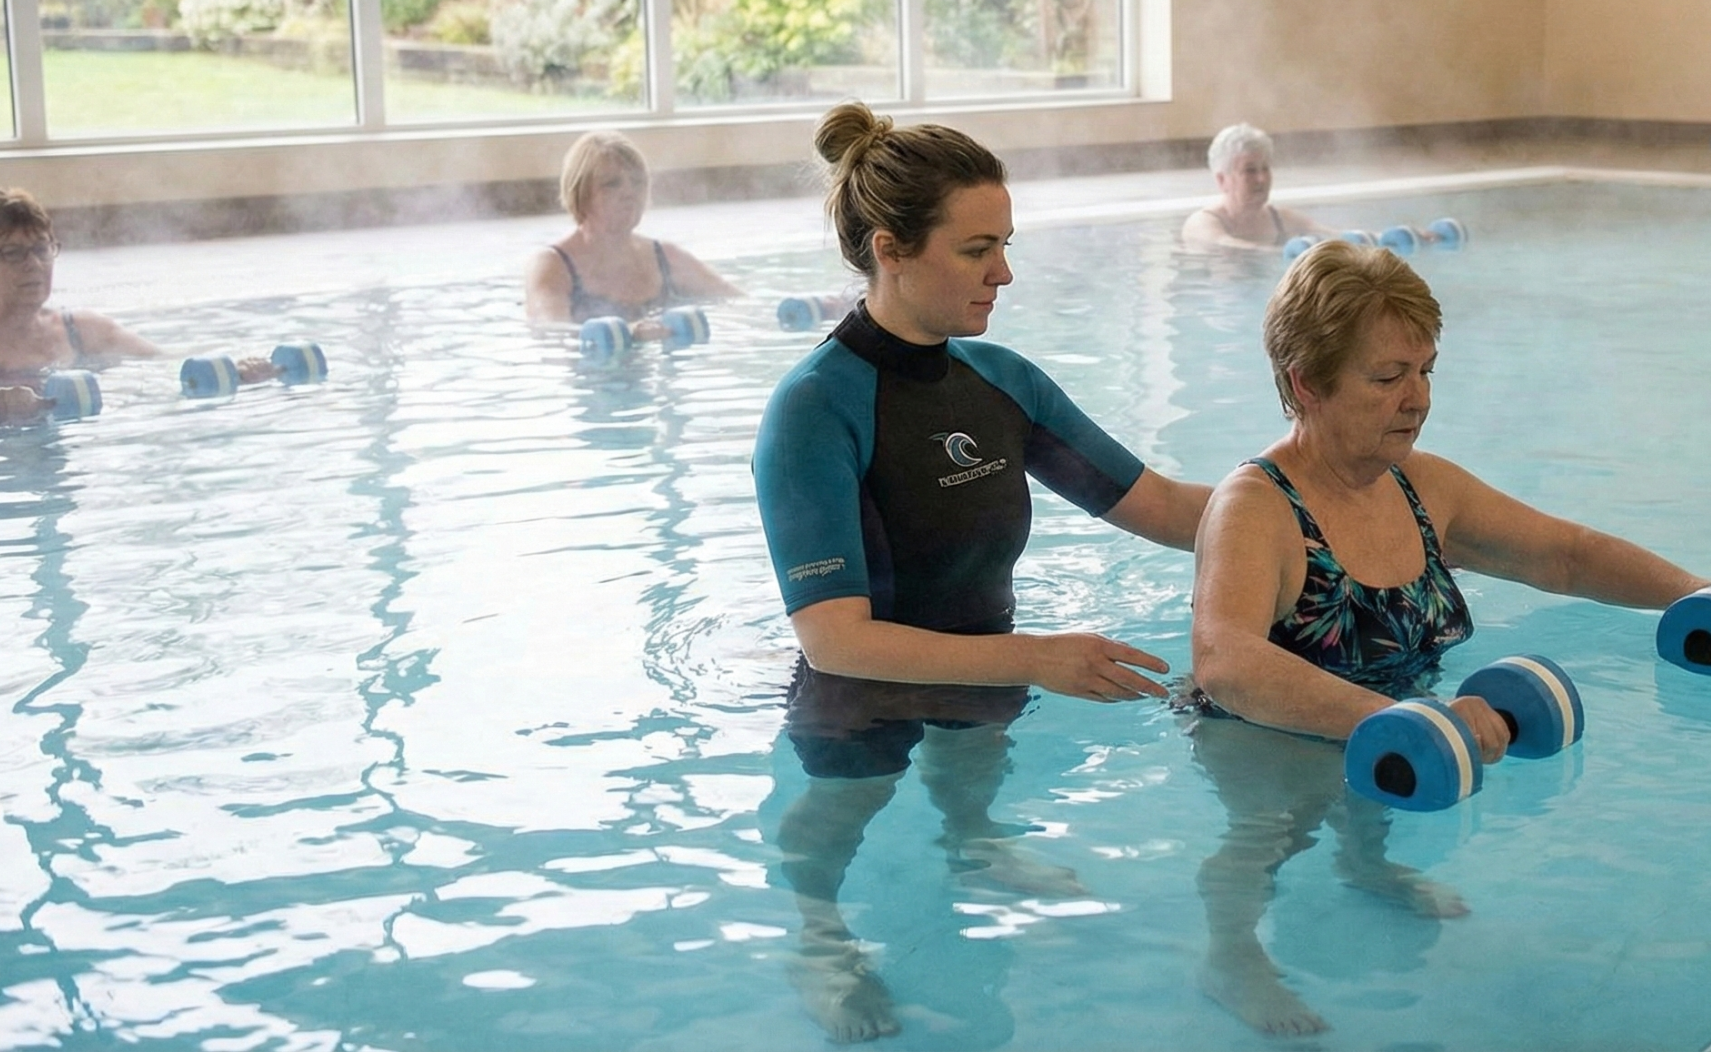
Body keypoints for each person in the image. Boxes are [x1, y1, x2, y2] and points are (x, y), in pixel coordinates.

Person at [1182, 240, 1711, 1035]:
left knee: (1365, 810)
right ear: (1307, 383)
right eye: (1388, 376)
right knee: (1269, 837)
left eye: (1427, 369)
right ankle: (1229, 957)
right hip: (1264, 735)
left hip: (1398, 719)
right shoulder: (1256, 507)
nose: (1418, 398)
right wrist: (1401, 722)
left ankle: (1369, 869)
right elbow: (1224, 661)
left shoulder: (1419, 485)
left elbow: (1563, 555)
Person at [751, 100, 1213, 1041]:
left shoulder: (1002, 382)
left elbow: (1160, 506)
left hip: (986, 670)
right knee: (835, 825)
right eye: (976, 249)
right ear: (890, 248)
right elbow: (835, 640)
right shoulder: (813, 410)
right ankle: (813, 934)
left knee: (971, 776)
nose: (1005, 271)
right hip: (862, 692)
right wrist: (1037, 660)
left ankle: (973, 842)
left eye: (1004, 243)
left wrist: (1313, 513)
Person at [0, 188, 169, 424]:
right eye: (13, 253)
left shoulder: (82, 329)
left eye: (42, 250)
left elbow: (164, 365)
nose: (34, 265)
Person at [525, 130, 740, 337]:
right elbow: (550, 332)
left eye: (637, 182)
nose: (629, 192)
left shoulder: (665, 257)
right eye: (612, 184)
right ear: (581, 193)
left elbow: (737, 301)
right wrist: (622, 333)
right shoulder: (553, 265)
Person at [1180, 124, 1335, 251]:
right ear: (1222, 180)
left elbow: (1333, 236)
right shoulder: (1203, 223)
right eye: (1250, 170)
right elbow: (1226, 245)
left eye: (1265, 168)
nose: (1262, 179)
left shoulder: (1281, 218)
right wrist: (1286, 252)